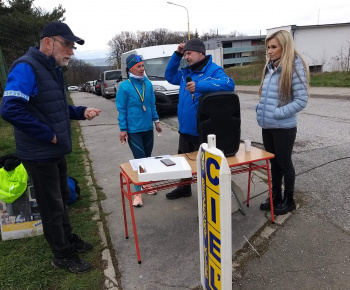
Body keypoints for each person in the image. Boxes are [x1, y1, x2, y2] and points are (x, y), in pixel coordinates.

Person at [0, 22, 101, 273]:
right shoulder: (26, 67)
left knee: (62, 200)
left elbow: (54, 108)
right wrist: (48, 135)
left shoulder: (52, 69)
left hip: (54, 151)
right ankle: (61, 255)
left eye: (72, 46)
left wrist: (80, 111)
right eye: (67, 44)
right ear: (48, 42)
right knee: (52, 207)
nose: (71, 51)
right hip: (40, 152)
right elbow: (10, 108)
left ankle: (68, 241)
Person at [164, 38, 235, 199]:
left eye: (189, 53)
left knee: (204, 167)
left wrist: (200, 86)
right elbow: (169, 76)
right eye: (185, 54)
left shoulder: (213, 70)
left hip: (202, 129)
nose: (186, 57)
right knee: (184, 161)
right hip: (185, 128)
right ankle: (184, 187)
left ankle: (210, 198)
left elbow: (229, 84)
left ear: (200, 53)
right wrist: (177, 54)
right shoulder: (185, 72)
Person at [256, 30, 309, 215]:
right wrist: (260, 109)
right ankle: (276, 195)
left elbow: (301, 100)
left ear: (284, 47)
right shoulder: (270, 67)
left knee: (284, 162)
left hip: (284, 127)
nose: (269, 51)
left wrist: (277, 113)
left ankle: (289, 199)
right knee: (274, 163)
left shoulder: (294, 66)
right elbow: (267, 95)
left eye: (273, 47)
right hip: (268, 126)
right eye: (268, 47)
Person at [116, 54, 162, 207]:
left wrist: (156, 121)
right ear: (131, 69)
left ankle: (146, 184)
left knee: (147, 160)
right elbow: (121, 109)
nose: (142, 69)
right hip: (133, 129)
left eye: (143, 66)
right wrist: (123, 129)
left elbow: (151, 104)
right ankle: (137, 193)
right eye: (139, 67)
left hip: (148, 127)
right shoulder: (124, 86)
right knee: (139, 161)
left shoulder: (147, 84)